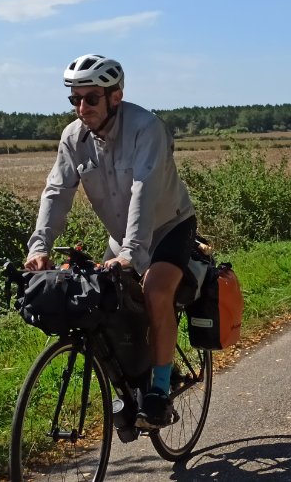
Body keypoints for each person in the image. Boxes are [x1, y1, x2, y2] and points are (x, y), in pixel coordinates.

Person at [25, 53, 196, 430]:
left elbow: (144, 190)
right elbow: (56, 192)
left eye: (90, 98)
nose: (81, 107)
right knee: (99, 303)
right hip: (121, 237)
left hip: (169, 226)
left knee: (155, 290)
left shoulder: (145, 128)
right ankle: (128, 389)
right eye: (74, 99)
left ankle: (159, 392)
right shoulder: (73, 138)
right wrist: (40, 247)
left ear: (115, 96)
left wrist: (133, 255)